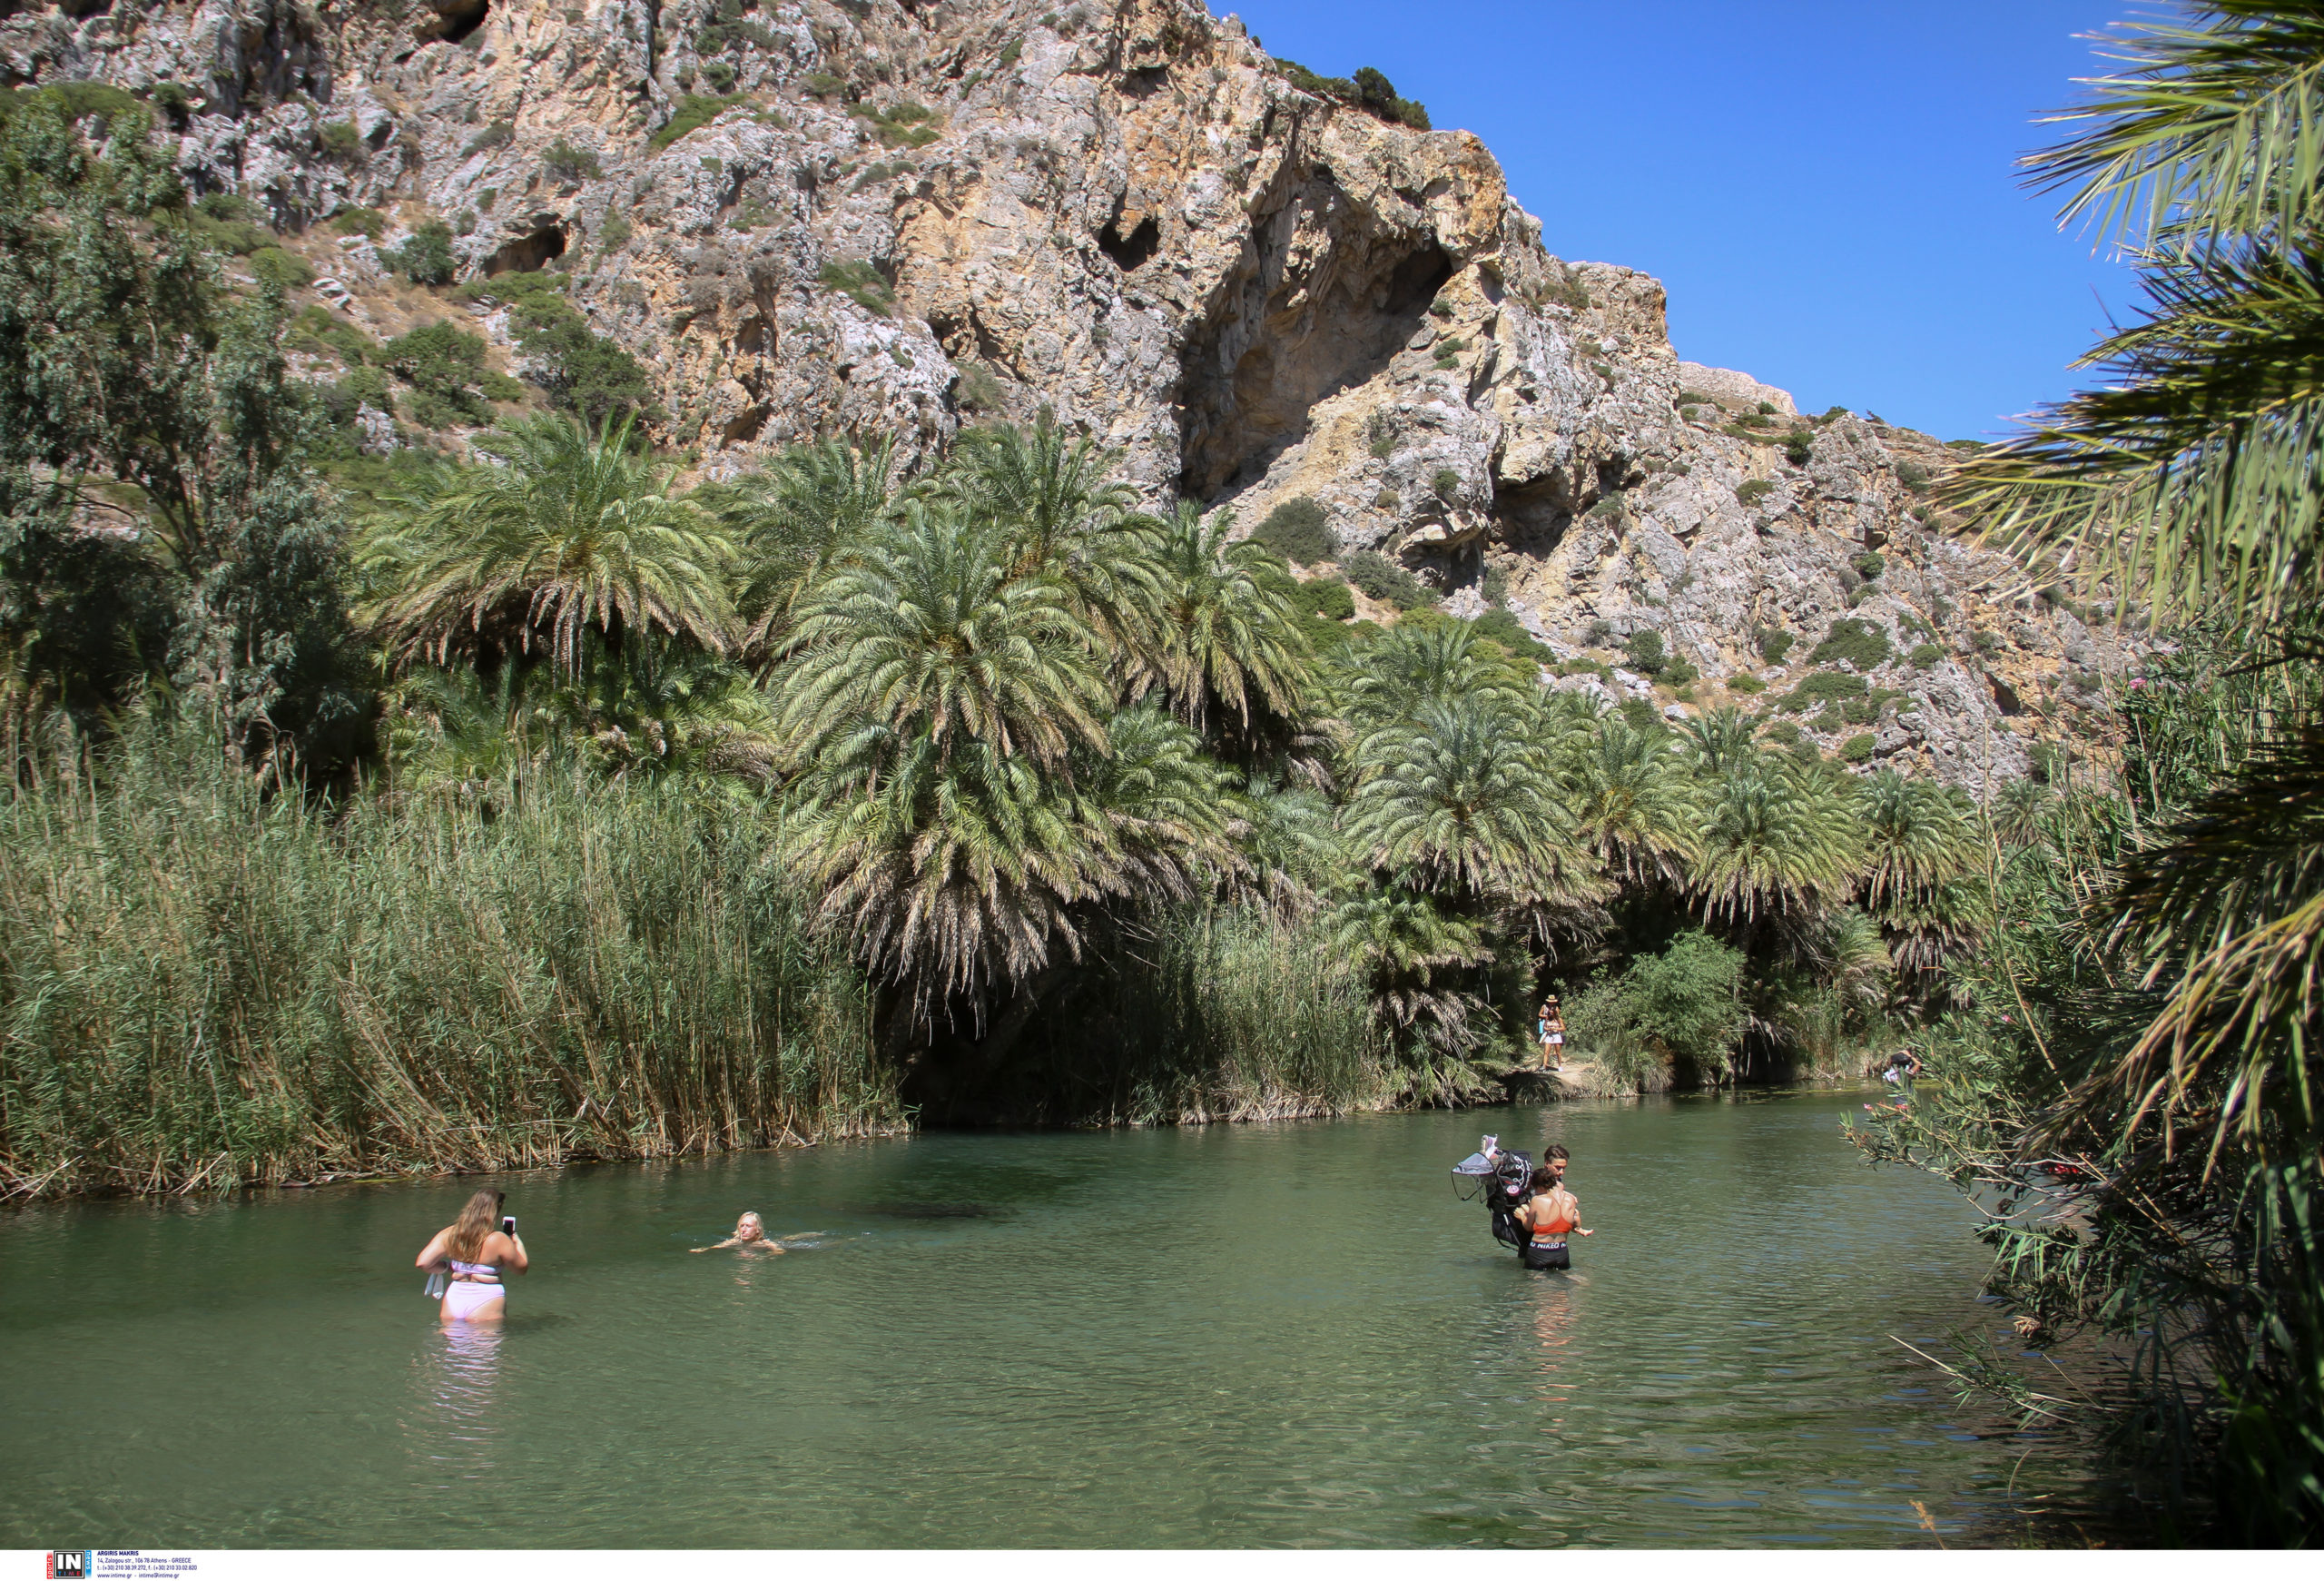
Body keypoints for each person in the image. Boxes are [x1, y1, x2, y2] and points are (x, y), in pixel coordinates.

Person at [416, 1189, 527, 1324]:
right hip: (486, 1299)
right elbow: (520, 1269)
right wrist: (518, 1243)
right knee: (484, 1344)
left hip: (454, 1297)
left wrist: (448, 1267)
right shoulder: (498, 1239)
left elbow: (423, 1263)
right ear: (495, 1211)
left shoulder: (450, 1233)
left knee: (453, 1343)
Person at [1513, 1164, 1590, 1270]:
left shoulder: (1537, 1200)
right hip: (1561, 1252)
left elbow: (1529, 1227)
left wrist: (1522, 1216)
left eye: (1535, 1189)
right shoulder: (1570, 1200)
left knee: (1534, 1284)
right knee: (1563, 1285)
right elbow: (1575, 1222)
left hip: (1539, 1252)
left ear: (1539, 1186)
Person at [692, 1210, 786, 1254]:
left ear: (757, 1229)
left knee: (784, 1239)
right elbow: (718, 1246)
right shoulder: (735, 1241)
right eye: (742, 1226)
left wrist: (774, 1253)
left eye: (748, 1226)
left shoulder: (764, 1242)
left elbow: (780, 1250)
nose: (744, 1230)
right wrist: (704, 1249)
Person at [1537, 997, 1566, 1071]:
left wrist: (1556, 1029)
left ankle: (1560, 1066)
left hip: (1556, 1035)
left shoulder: (1558, 1017)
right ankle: (1544, 1066)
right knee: (1546, 1052)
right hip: (1549, 1035)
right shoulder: (1545, 1009)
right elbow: (1545, 1026)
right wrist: (1549, 1028)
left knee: (1558, 1052)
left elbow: (1563, 1028)